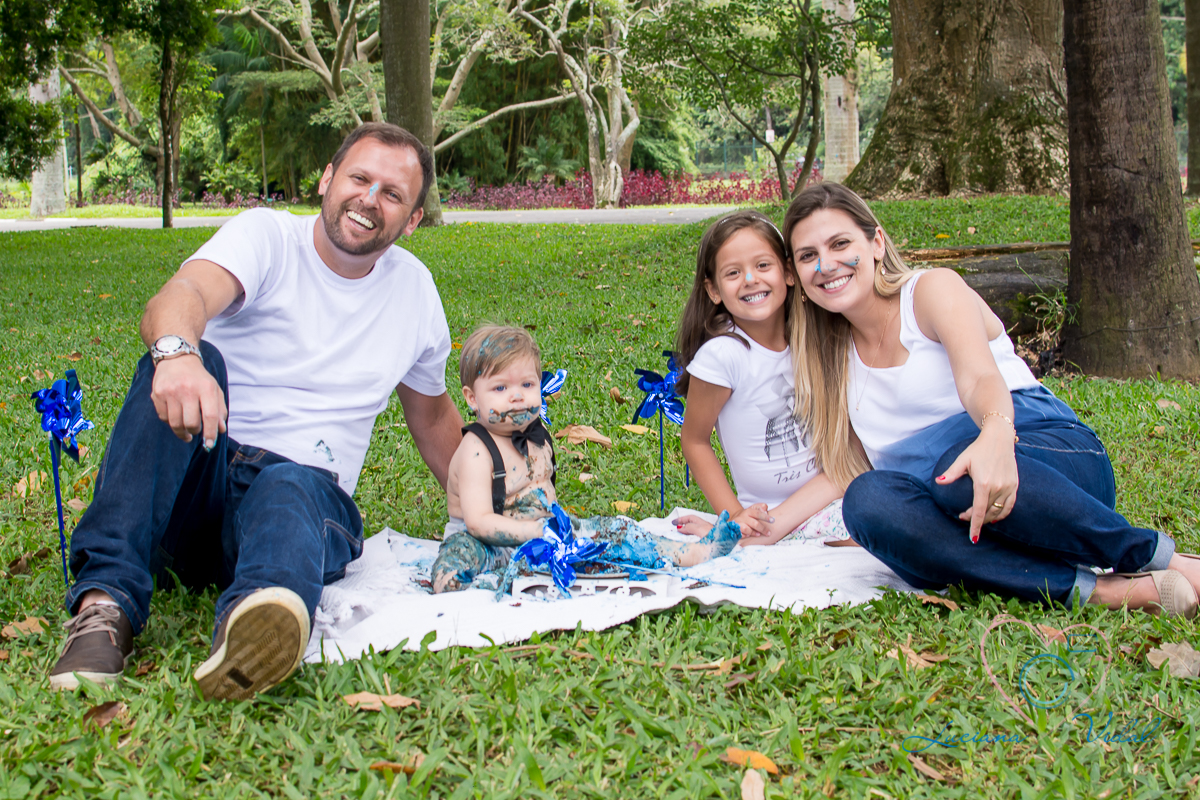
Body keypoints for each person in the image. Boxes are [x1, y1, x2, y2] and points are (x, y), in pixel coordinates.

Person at [49, 122, 465, 699]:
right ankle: (104, 609)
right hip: (201, 480)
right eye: (359, 178)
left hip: (297, 507)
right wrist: (178, 356)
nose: (369, 199)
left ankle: (253, 630)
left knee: (290, 481)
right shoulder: (267, 237)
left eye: (393, 194)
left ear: (413, 218)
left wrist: (502, 499)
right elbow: (181, 297)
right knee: (189, 355)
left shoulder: (415, 293)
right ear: (327, 179)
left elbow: (434, 419)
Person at [781, 182, 1200, 617]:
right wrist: (758, 529)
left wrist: (996, 432)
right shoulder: (827, 360)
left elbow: (979, 376)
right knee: (866, 502)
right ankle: (1099, 593)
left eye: (840, 244)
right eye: (809, 255)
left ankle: (1159, 558)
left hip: (1044, 461)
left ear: (876, 242)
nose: (826, 265)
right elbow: (843, 472)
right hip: (959, 508)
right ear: (796, 272)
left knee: (959, 470)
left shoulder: (929, 292)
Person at [431, 325, 741, 594]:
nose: (517, 396)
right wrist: (535, 532)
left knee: (615, 531)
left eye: (527, 385)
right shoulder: (475, 450)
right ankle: (492, 583)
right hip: (486, 545)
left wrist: (561, 532)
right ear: (472, 398)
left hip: (545, 536)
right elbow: (478, 522)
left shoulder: (536, 436)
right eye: (500, 387)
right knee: (453, 567)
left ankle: (693, 552)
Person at [671, 211, 849, 546]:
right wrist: (735, 515)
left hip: (832, 495)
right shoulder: (724, 355)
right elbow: (694, 439)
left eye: (763, 265)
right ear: (713, 290)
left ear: (788, 273)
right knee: (873, 537)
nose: (750, 279)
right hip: (768, 513)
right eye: (733, 273)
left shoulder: (810, 338)